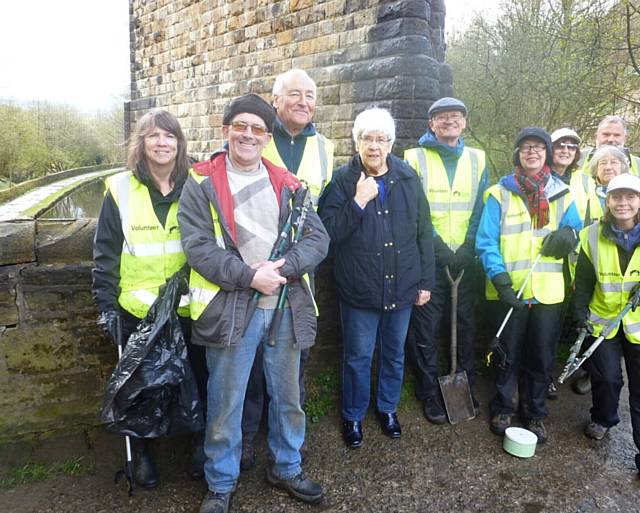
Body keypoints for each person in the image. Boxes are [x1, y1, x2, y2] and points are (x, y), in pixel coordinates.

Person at [178, 93, 329, 513]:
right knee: (225, 402)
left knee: (288, 399)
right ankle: (221, 483)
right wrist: (250, 276)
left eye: (257, 129)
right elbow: (198, 248)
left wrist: (282, 268)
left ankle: (286, 466)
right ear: (225, 130)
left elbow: (318, 239)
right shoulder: (201, 182)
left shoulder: (287, 182)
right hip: (229, 312)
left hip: (285, 308)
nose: (248, 134)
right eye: (240, 126)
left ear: (267, 137)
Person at [92, 109, 207, 487]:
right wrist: (106, 305)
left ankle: (197, 446)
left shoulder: (196, 185)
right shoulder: (121, 189)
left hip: (188, 306)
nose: (162, 143)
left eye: (169, 136)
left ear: (179, 143)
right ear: (141, 144)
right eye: (154, 136)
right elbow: (105, 253)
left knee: (196, 382)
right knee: (139, 389)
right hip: (137, 310)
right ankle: (141, 456)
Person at [319, 107, 435, 448]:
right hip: (359, 288)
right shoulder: (342, 180)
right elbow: (326, 233)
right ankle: (353, 415)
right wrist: (357, 201)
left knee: (394, 352)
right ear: (356, 143)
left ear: (390, 143)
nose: (374, 146)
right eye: (367, 138)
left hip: (403, 285)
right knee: (357, 356)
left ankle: (387, 409)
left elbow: (424, 231)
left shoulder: (408, 177)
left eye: (381, 139)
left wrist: (425, 282)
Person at [240, 69, 334, 471]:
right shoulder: (256, 137)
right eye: (293, 94)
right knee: (246, 372)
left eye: (309, 95)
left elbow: (323, 218)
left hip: (300, 280)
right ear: (275, 100)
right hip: (251, 274)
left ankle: (287, 444)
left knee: (292, 369)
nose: (303, 101)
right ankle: (245, 441)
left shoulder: (327, 148)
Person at [476, 127, 582, 444]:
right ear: (517, 154)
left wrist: (569, 236)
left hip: (548, 293)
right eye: (525, 147)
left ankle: (534, 414)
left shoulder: (563, 194)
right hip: (510, 289)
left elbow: (577, 233)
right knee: (508, 354)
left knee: (541, 356)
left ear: (546, 153)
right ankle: (503, 407)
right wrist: (500, 279)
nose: (532, 152)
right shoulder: (498, 194)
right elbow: (486, 242)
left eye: (538, 147)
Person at [404, 97, 488, 423]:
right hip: (430, 259)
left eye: (456, 116)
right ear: (432, 124)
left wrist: (469, 245)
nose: (449, 121)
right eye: (442, 117)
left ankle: (463, 388)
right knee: (426, 328)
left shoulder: (478, 159)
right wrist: (436, 246)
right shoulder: (414, 158)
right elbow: (413, 210)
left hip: (464, 260)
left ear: (464, 123)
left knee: (465, 326)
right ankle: (428, 393)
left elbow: (482, 206)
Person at [573, 173, 640, 475]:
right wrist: (579, 316)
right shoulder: (591, 235)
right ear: (607, 200)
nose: (623, 203)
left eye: (630, 197)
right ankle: (603, 418)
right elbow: (583, 282)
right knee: (608, 378)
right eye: (616, 197)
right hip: (602, 321)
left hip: (637, 325)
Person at [547, 127, 583, 400]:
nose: (566, 150)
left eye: (572, 146)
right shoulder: (540, 175)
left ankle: (546, 375)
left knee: (553, 327)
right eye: (561, 144)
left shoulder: (582, 182)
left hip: (570, 262)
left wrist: (571, 234)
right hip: (539, 259)